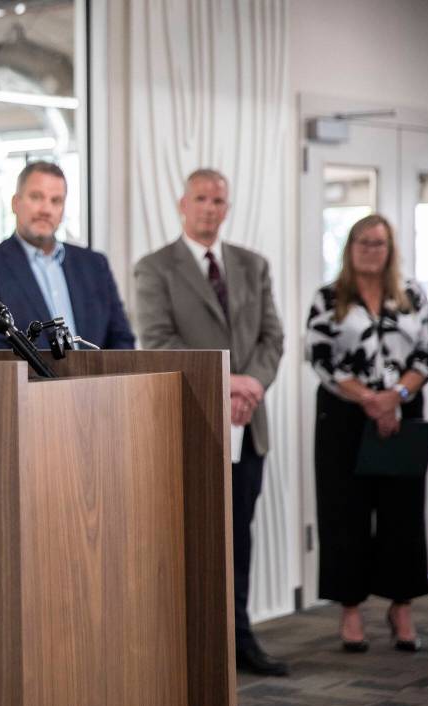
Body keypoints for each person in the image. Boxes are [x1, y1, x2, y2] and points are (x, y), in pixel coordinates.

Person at [134, 168, 287, 676]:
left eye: (218, 200)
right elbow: (158, 342)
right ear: (183, 204)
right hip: (192, 422)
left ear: (227, 207)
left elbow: (272, 338)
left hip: (248, 423)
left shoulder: (253, 265)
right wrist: (228, 382)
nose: (209, 208)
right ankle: (195, 649)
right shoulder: (154, 268)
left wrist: (252, 386)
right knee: (192, 539)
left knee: (239, 537)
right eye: (200, 198)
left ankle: (241, 639)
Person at [305, 213, 428, 653]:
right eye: (362, 242)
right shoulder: (328, 297)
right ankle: (350, 610)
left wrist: (395, 396)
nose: (370, 250)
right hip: (344, 416)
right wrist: (370, 399)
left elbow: (427, 352)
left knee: (403, 513)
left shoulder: (412, 295)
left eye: (378, 243)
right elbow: (321, 357)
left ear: (390, 249)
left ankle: (402, 607)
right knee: (345, 513)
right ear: (350, 248)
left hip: (402, 414)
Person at [0, 161, 135, 350]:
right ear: (15, 203)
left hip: (96, 371)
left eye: (56, 201)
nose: (46, 210)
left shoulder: (95, 265)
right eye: (36, 197)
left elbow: (122, 341)